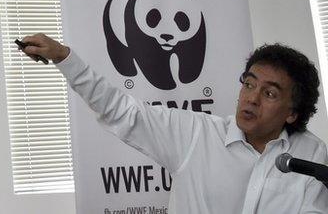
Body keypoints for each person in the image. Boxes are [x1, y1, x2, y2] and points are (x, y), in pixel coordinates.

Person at [19, 33, 328, 213]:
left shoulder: (310, 155)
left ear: (292, 113)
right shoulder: (195, 135)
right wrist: (64, 57)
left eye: (269, 93)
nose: (252, 98)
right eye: (249, 84)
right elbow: (122, 111)